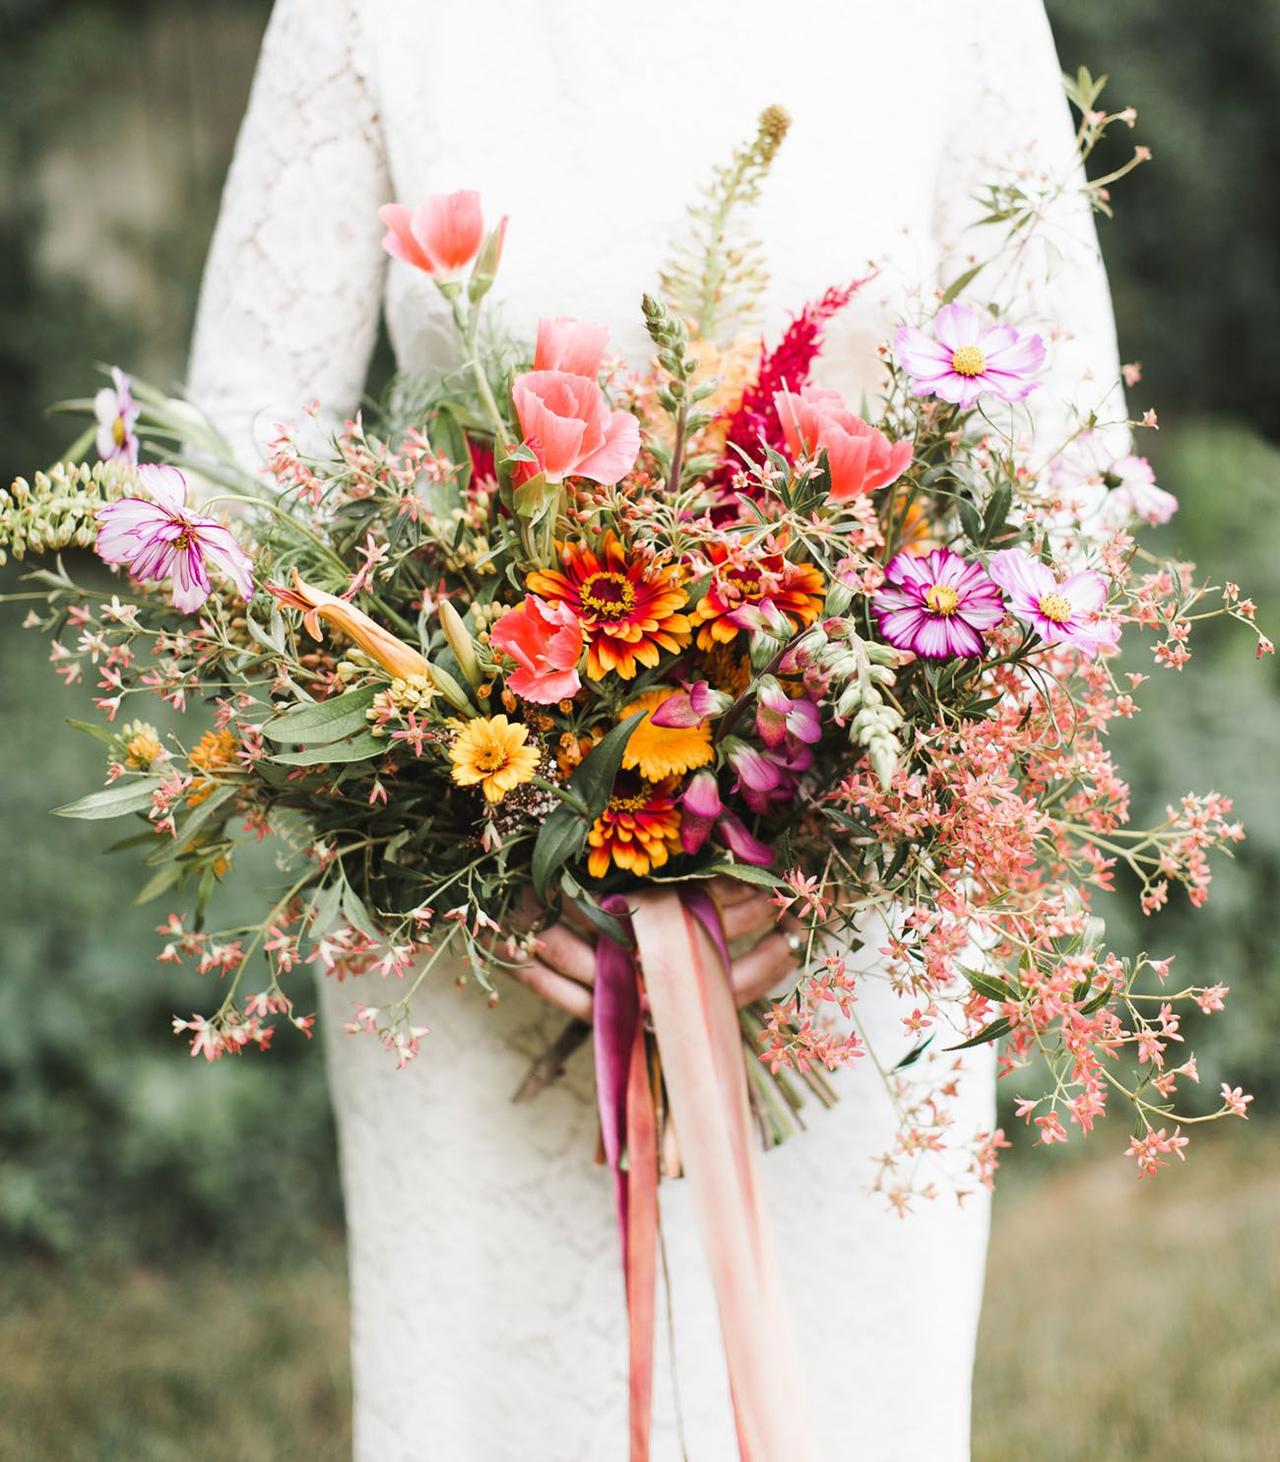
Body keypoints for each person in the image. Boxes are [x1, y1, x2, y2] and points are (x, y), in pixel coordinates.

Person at [188, 2, 1124, 1456]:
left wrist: (857, 831)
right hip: (475, 928)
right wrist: (460, 826)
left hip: (853, 921)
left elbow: (1067, 469)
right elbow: (244, 467)